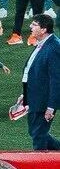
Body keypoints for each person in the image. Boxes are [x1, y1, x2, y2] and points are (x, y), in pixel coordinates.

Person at [22, 15, 60, 149]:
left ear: (43, 29)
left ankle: (40, 168)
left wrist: (51, 106)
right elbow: (31, 71)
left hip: (44, 100)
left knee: (39, 135)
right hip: (34, 97)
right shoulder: (43, 44)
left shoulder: (54, 47)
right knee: (35, 132)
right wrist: (25, 94)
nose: (30, 27)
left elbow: (57, 79)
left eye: (34, 24)